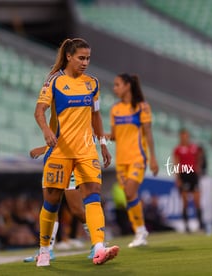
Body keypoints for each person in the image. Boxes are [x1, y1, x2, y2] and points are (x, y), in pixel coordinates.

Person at [33, 38, 119, 266]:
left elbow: (96, 116)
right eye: (81, 58)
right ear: (69, 57)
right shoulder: (54, 81)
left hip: (86, 150)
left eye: (88, 58)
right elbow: (39, 111)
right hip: (59, 151)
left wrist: (102, 144)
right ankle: (43, 250)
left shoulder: (93, 84)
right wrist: (45, 131)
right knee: (51, 202)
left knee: (93, 197)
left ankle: (99, 247)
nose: (85, 62)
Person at [108, 73, 159, 247]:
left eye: (117, 85)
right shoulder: (115, 109)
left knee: (130, 192)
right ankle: (140, 230)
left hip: (138, 157)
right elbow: (114, 136)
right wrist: (99, 134)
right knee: (130, 197)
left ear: (127, 85)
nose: (114, 88)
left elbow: (148, 134)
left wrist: (153, 159)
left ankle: (140, 230)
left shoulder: (142, 107)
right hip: (121, 160)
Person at [23, 146, 92, 263]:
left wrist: (43, 148)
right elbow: (56, 137)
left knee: (76, 209)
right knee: (50, 208)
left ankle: (98, 242)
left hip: (69, 161)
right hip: (51, 162)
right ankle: (47, 250)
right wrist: (47, 148)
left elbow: (69, 138)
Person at [173, 128, 204, 232]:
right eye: (183, 136)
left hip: (193, 175)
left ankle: (201, 223)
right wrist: (177, 178)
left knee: (197, 200)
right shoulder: (177, 149)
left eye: (186, 136)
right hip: (184, 174)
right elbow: (176, 163)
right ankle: (186, 226)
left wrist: (198, 167)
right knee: (185, 201)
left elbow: (200, 157)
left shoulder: (194, 148)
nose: (185, 138)